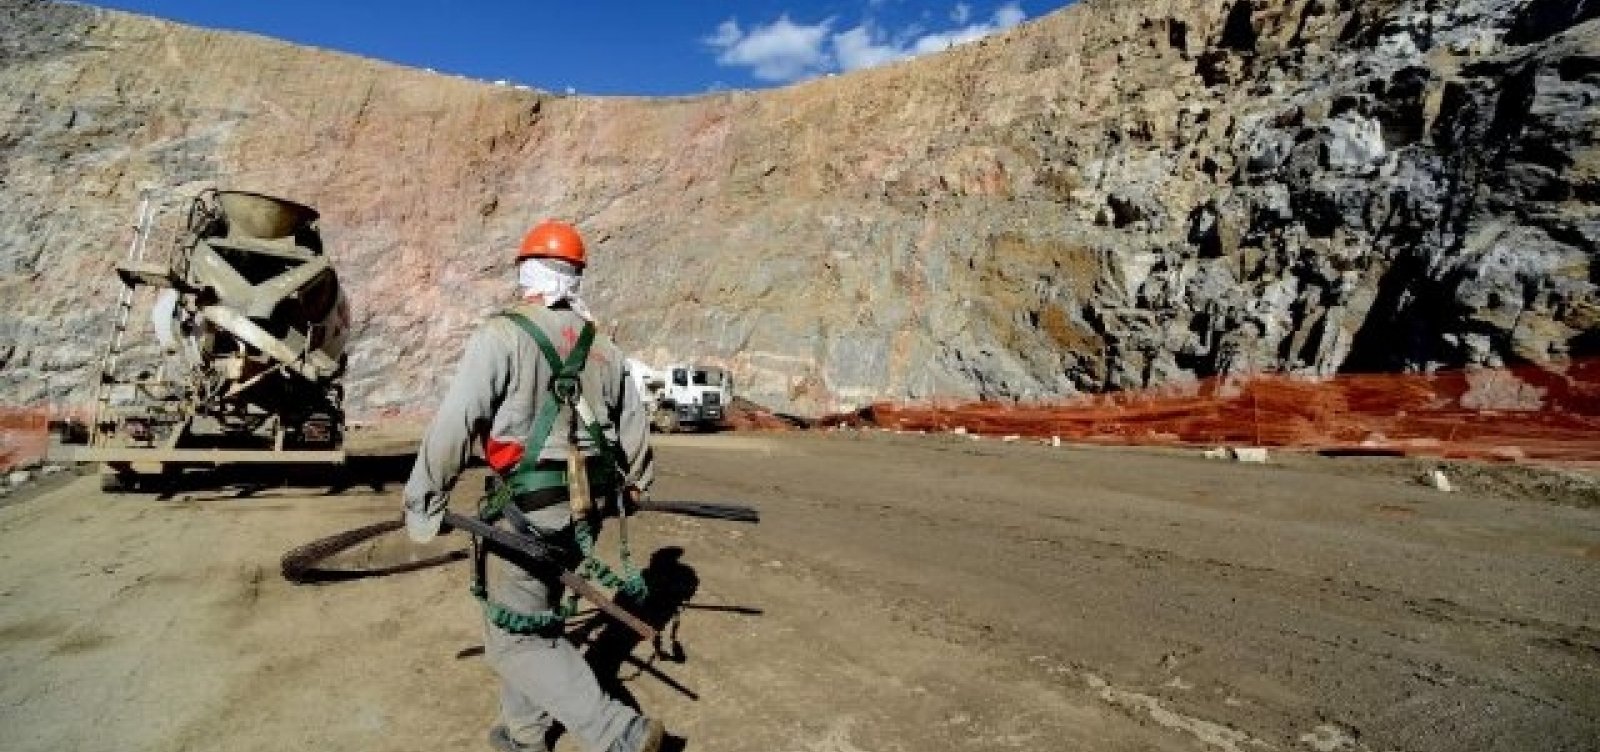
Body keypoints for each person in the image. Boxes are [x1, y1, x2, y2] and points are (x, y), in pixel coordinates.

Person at [402, 219, 664, 752]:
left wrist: (424, 499)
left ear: (526, 269)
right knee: (534, 620)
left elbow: (457, 421)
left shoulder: (503, 334)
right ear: (576, 276)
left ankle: (621, 734)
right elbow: (635, 430)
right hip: (584, 512)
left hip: (526, 511)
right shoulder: (605, 348)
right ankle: (524, 735)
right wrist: (637, 486)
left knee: (516, 640)